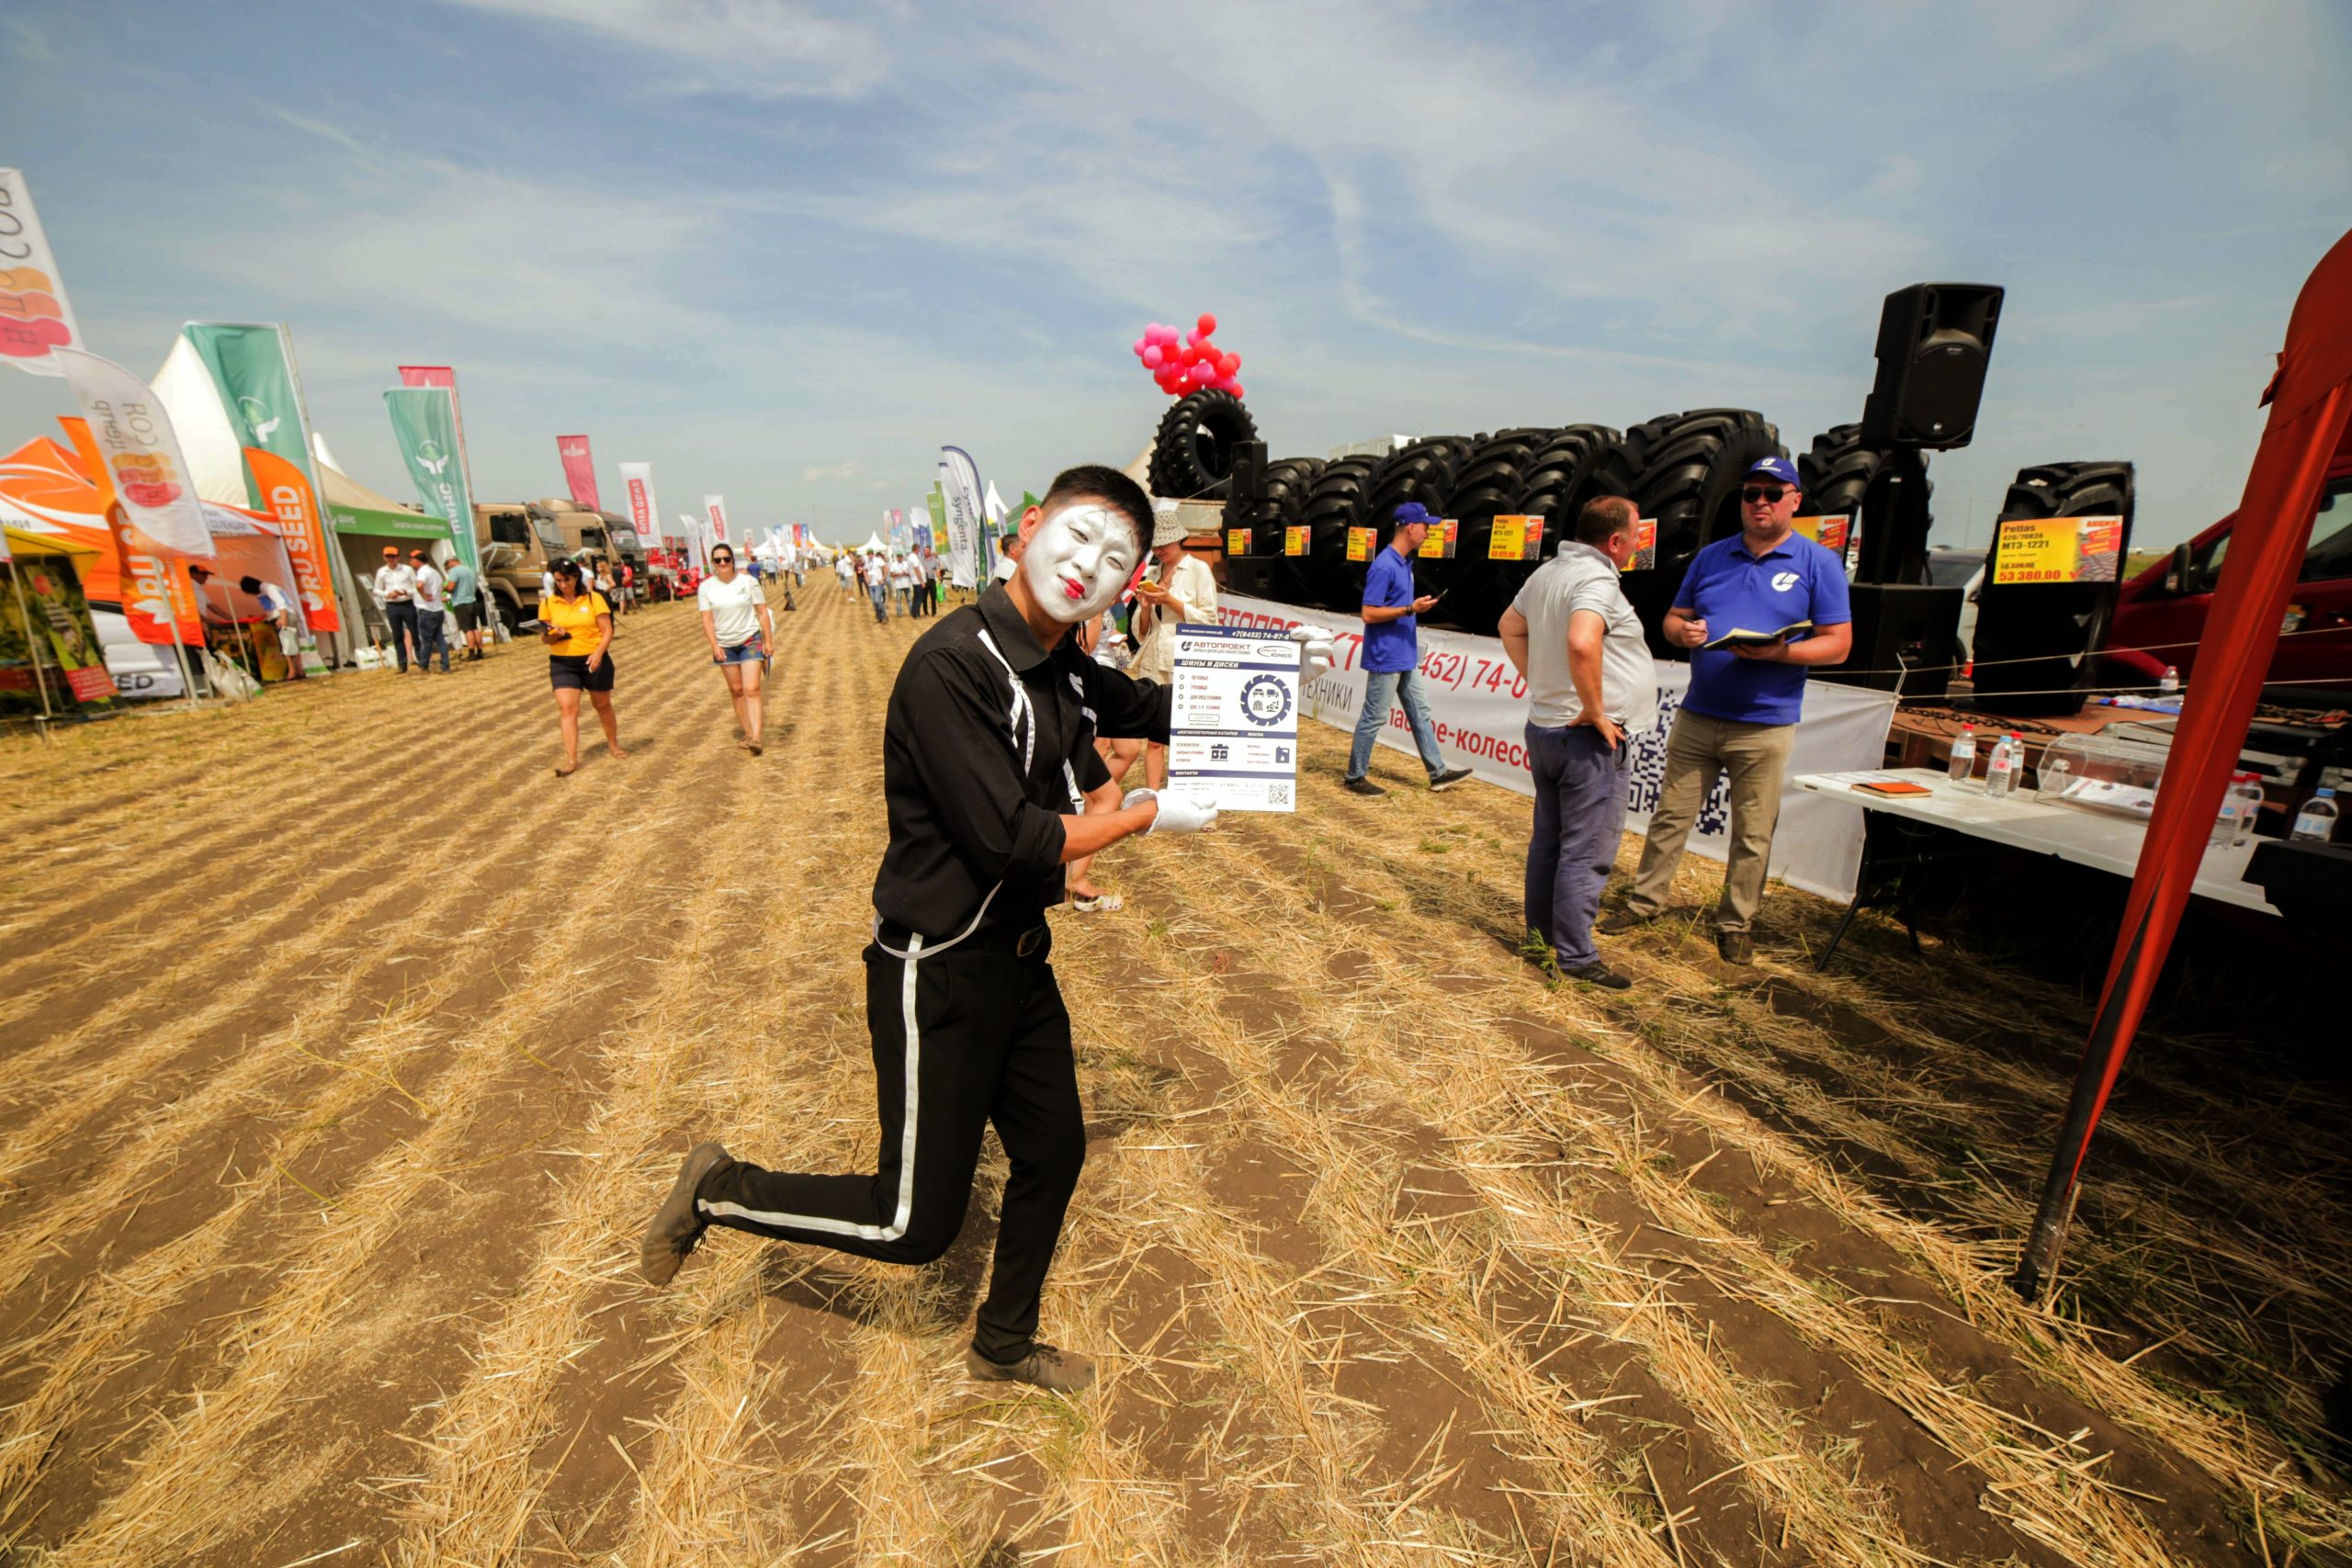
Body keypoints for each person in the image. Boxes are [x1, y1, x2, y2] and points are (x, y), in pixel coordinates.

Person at [638, 466, 1334, 1393]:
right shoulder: (954, 666)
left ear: (1132, 582)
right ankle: (720, 1188)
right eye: (1077, 540)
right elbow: (1014, 840)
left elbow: (1153, 705)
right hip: (939, 970)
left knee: (1053, 1152)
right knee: (912, 1225)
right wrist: (1139, 815)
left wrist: (1281, 680)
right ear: (1030, 528)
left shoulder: (1058, 664)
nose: (1088, 567)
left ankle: (1003, 1342)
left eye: (1116, 560)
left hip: (1016, 959)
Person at [1600, 457, 1852, 964]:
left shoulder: (1817, 563)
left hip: (1766, 722)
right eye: (1751, 493)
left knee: (1753, 832)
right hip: (1699, 714)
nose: (1760, 502)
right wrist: (1683, 632)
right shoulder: (1713, 556)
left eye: (1772, 493)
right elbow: (1673, 619)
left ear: (1795, 501)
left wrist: (1780, 653)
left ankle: (1736, 922)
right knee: (1670, 817)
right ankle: (1645, 903)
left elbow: (1838, 645)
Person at [1498, 497, 1655, 989]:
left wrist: (1543, 683)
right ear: (1615, 541)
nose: (1636, 542)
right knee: (1585, 851)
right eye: (1635, 533)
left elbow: (1509, 626)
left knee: (1550, 842)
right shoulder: (1597, 579)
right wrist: (1594, 708)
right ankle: (1576, 956)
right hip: (1584, 739)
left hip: (1547, 728)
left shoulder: (1547, 573)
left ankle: (1541, 939)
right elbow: (1584, 641)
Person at [1346, 502, 1476, 796]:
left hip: (1404, 653)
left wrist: (1413, 608)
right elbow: (1368, 613)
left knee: (1420, 711)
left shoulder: (1403, 563)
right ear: (1410, 527)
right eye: (1426, 527)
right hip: (1386, 655)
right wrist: (1409, 609)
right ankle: (1355, 777)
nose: (1429, 532)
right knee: (1375, 716)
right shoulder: (1384, 565)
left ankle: (1438, 772)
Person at [1128, 512, 1220, 789]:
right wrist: (1144, 609)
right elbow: (1141, 632)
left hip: (1186, 660)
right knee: (1155, 735)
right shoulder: (1152, 573)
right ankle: (1153, 797)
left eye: (1164, 544)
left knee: (1189, 732)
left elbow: (1209, 620)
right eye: (1155, 546)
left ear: (1179, 539)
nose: (1160, 550)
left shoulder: (1198, 570)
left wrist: (1170, 600)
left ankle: (1193, 794)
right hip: (1154, 659)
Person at [540, 558, 626, 776]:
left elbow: (607, 631)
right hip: (563, 662)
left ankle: (613, 745)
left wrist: (598, 653)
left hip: (593, 658)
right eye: (558, 580)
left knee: (602, 704)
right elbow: (545, 640)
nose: (563, 585)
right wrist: (553, 635)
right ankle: (571, 760)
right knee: (568, 708)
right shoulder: (549, 603)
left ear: (576, 577)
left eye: (566, 580)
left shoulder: (593, 598)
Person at [698, 544, 776, 755]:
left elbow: (762, 613)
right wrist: (714, 645)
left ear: (733, 560)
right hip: (725, 645)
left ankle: (757, 738)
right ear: (713, 564)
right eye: (718, 560)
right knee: (737, 690)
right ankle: (748, 733)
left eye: (726, 559)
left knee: (752, 689)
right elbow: (706, 619)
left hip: (750, 639)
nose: (722, 563)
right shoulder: (706, 588)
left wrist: (768, 641)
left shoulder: (748, 582)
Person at [373, 546, 419, 672]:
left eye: (393, 556)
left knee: (414, 632)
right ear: (384, 558)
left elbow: (417, 587)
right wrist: (387, 594)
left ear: (398, 557)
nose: (391, 559)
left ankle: (421, 659)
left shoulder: (407, 569)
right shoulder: (381, 571)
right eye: (388, 556)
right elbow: (376, 589)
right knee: (397, 635)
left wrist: (406, 592)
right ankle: (402, 663)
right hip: (392, 605)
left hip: (407, 603)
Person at [410, 548, 452, 673]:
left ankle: (423, 665)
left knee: (426, 640)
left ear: (418, 561)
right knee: (440, 639)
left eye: (412, 559)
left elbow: (419, 585)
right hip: (438, 609)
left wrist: (423, 595)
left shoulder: (423, 572)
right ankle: (445, 666)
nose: (410, 562)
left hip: (427, 609)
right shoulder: (434, 572)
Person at [446, 555, 487, 661]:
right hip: (472, 601)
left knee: (467, 629)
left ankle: (471, 654)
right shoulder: (470, 570)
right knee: (474, 628)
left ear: (451, 561)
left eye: (447, 564)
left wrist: (444, 588)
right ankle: (480, 652)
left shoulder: (454, 571)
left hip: (461, 602)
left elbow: (450, 587)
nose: (448, 567)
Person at [865, 552, 889, 625]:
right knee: (874, 603)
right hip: (871, 585)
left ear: (873, 554)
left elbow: (886, 568)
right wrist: (866, 579)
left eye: (871, 553)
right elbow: (865, 570)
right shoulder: (867, 562)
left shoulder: (878, 560)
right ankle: (879, 617)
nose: (870, 555)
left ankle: (885, 616)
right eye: (869, 554)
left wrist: (883, 578)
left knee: (878, 601)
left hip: (878, 584)